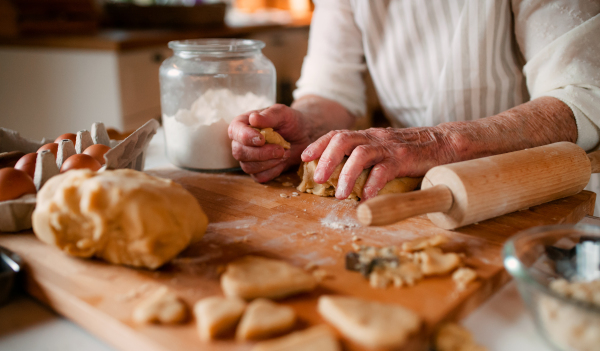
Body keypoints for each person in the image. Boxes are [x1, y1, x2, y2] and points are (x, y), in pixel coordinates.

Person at [228, 1, 600, 208]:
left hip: (537, 194)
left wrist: (440, 142)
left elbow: (583, 94)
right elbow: (333, 88)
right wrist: (308, 127)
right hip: (416, 202)